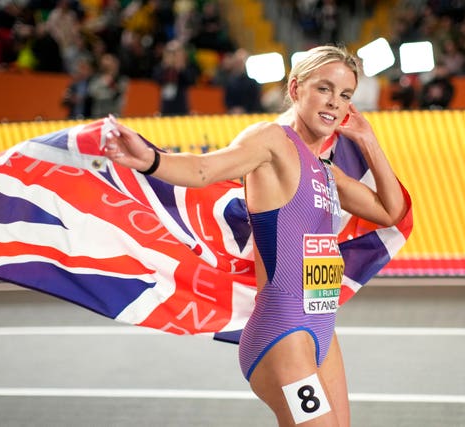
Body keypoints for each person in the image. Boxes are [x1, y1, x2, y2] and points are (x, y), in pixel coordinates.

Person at [102, 45, 407, 426]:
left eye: (345, 95)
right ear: (296, 90)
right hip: (281, 334)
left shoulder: (328, 172)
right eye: (324, 89)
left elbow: (391, 211)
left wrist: (368, 138)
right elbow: (202, 171)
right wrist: (150, 159)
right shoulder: (271, 142)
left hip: (322, 330)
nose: (335, 103)